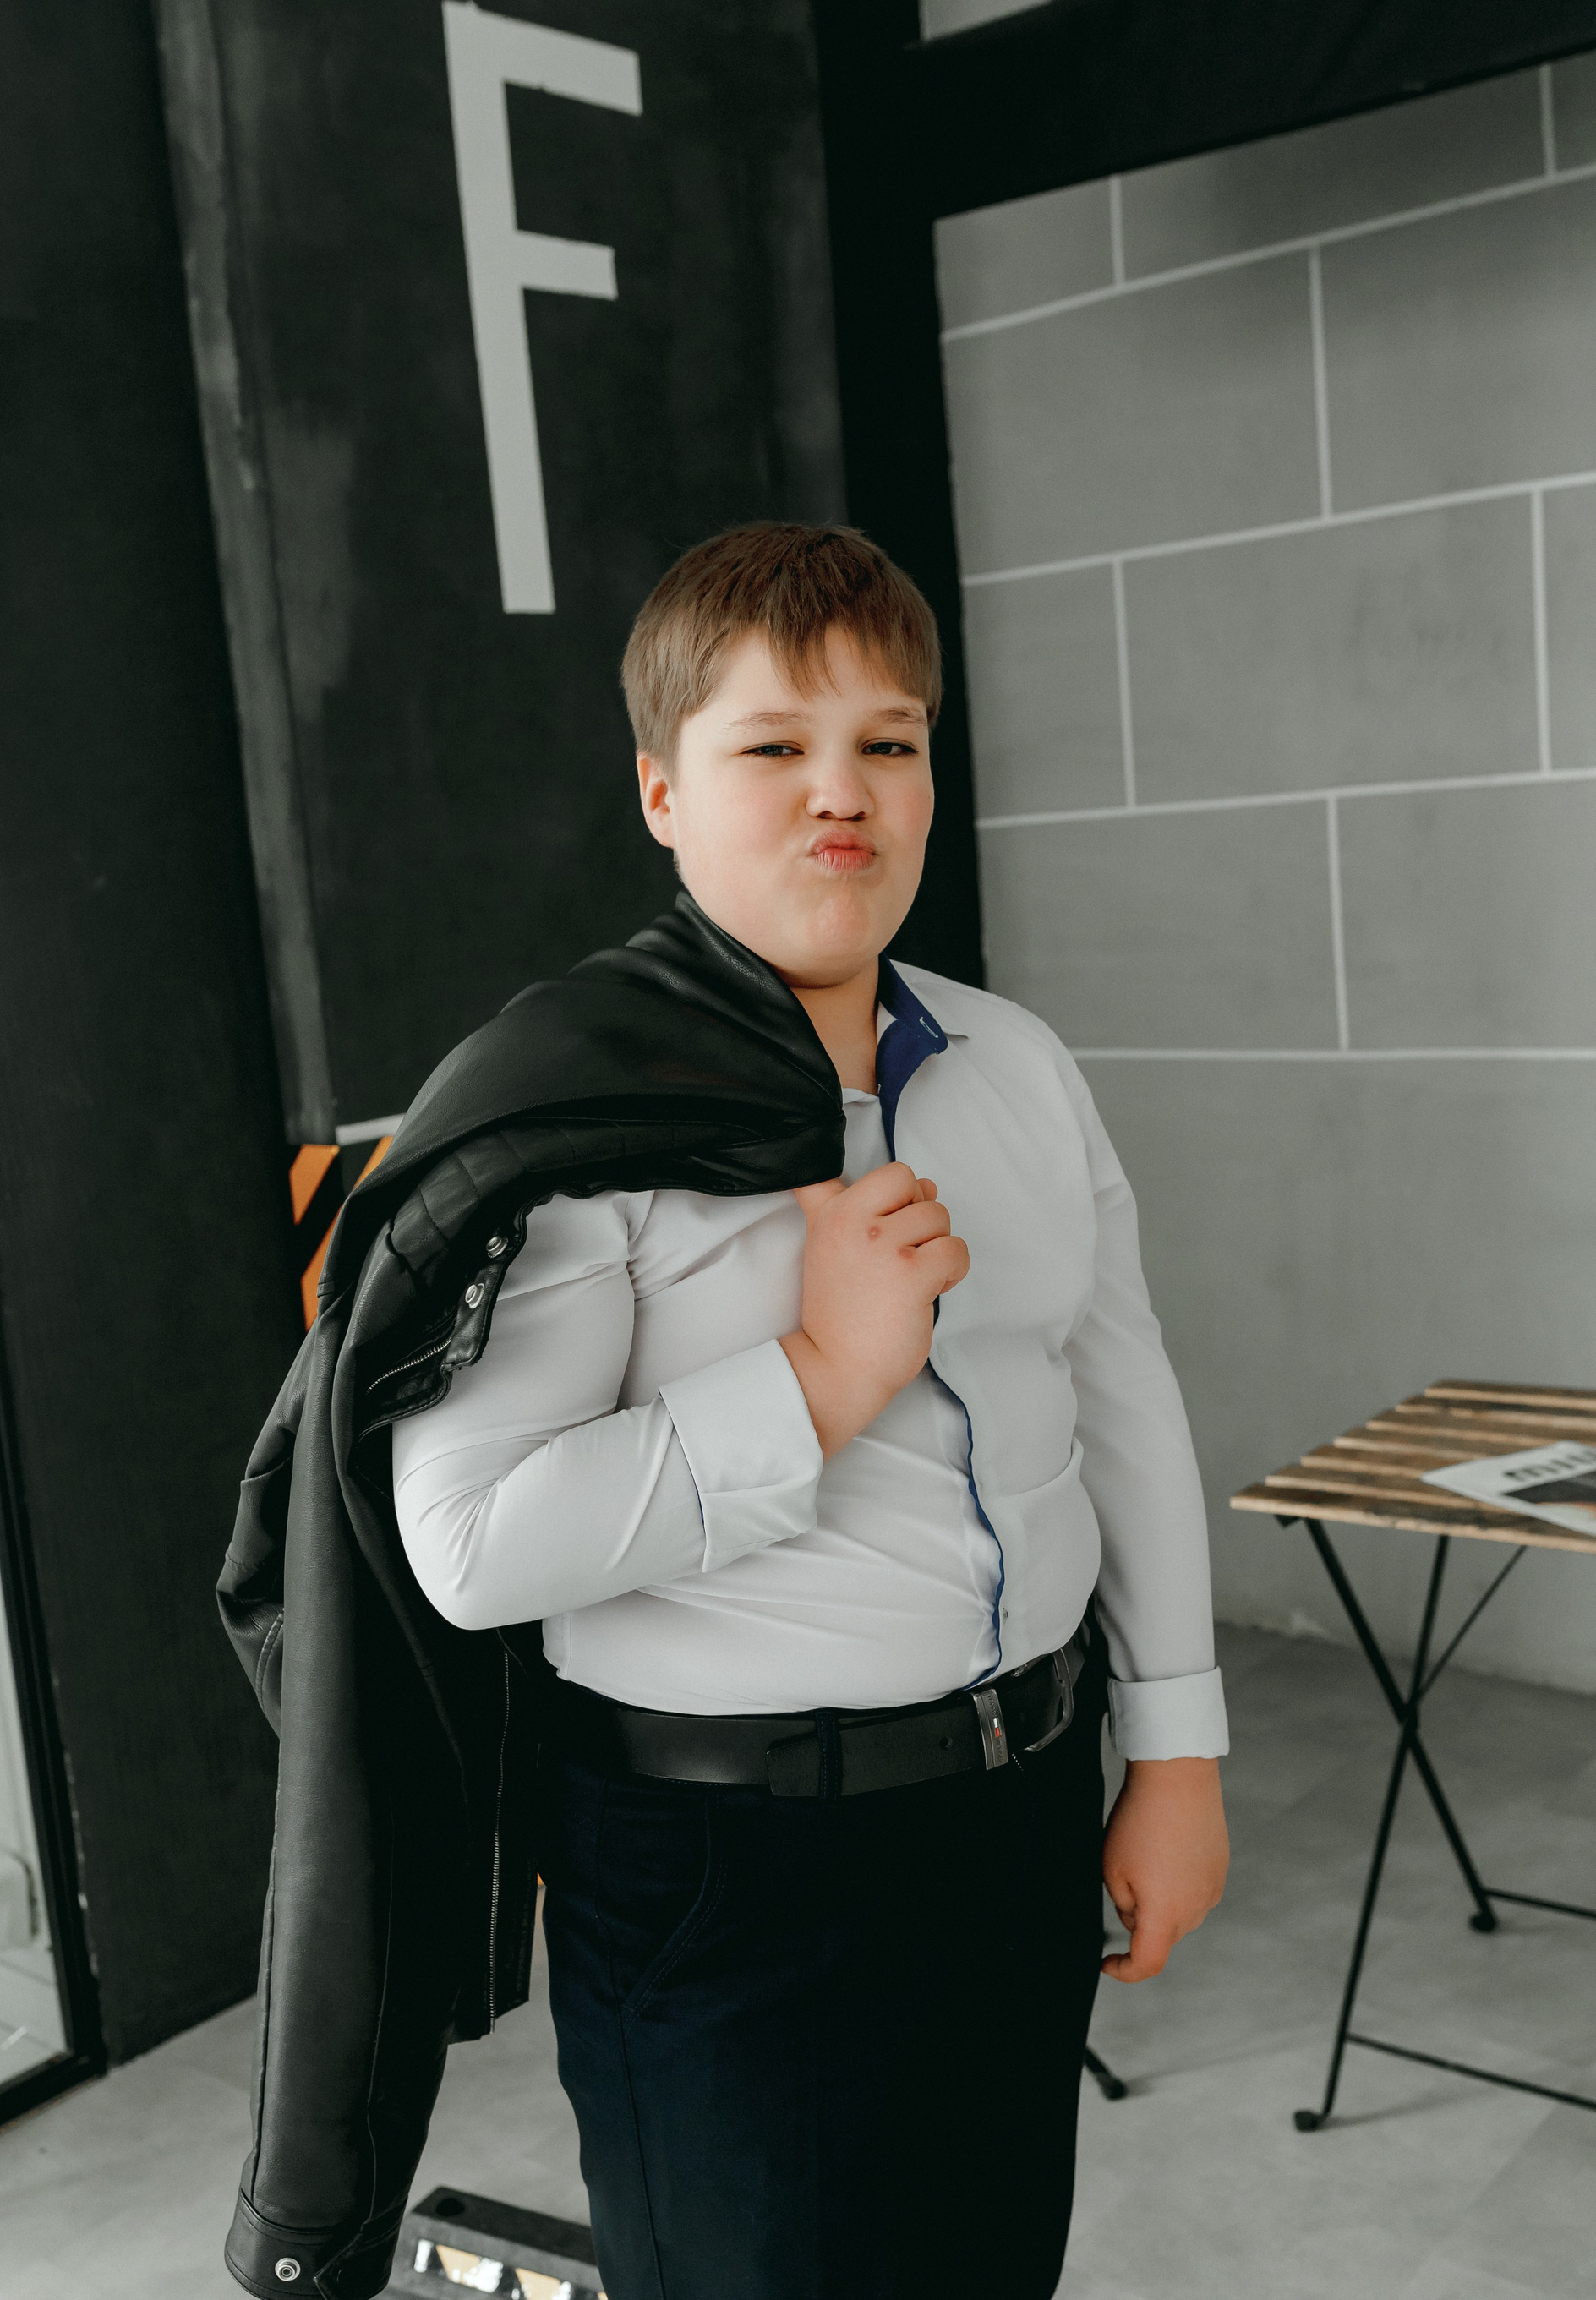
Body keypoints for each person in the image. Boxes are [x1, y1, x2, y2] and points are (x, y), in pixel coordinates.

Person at [390, 523, 1229, 2300]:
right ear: (662, 791)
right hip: (729, 1864)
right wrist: (821, 1377)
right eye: (774, 743)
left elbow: (1119, 1394)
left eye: (888, 741)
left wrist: (1174, 1749)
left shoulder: (1016, 1061)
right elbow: (470, 1542)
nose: (840, 790)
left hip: (1015, 1814)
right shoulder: (569, 1113)